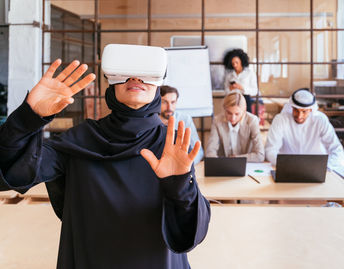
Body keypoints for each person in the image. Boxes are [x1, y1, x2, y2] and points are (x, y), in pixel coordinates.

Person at [0, 57, 210, 268]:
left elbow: (190, 233)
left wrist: (180, 187)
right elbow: (12, 172)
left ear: (158, 84)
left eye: (145, 73)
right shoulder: (79, 140)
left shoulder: (170, 146)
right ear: (111, 81)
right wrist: (28, 117)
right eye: (124, 72)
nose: (135, 78)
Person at [265, 88, 344, 169]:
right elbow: (270, 150)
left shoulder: (320, 120)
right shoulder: (281, 119)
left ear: (311, 110)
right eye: (296, 110)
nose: (299, 116)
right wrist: (288, 165)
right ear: (291, 107)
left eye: (304, 111)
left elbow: (337, 151)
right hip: (287, 168)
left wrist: (325, 166)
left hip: (317, 169)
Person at [206, 91, 264, 162]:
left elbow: (260, 155)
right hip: (224, 166)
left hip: (247, 165)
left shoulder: (252, 120)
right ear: (224, 109)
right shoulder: (217, 121)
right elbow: (210, 152)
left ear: (244, 111)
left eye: (237, 114)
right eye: (229, 113)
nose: (233, 118)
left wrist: (235, 159)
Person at [160, 85, 204, 164]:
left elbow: (198, 151)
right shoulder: (150, 120)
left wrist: (187, 164)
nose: (169, 107)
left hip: (181, 165)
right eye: (164, 102)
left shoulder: (185, 119)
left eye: (173, 102)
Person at [223, 48, 258, 113]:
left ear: (241, 61)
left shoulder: (250, 73)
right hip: (232, 100)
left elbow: (255, 91)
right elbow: (225, 91)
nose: (235, 65)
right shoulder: (229, 75)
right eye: (233, 63)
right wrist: (230, 89)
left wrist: (242, 88)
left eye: (236, 62)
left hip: (245, 100)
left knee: (246, 120)